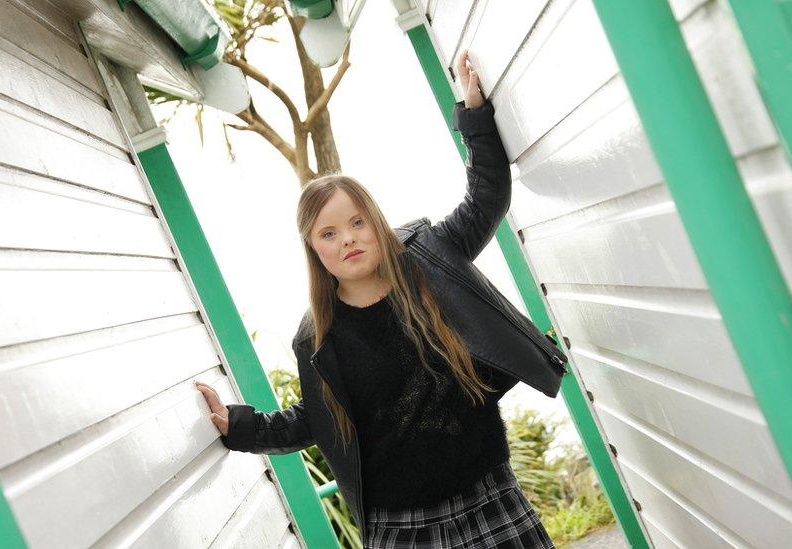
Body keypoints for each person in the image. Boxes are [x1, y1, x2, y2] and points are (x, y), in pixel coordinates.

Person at [195, 49, 566, 548]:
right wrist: (238, 427)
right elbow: (314, 418)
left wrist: (472, 111)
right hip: (399, 527)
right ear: (313, 249)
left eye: (355, 222)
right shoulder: (318, 338)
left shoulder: (432, 260)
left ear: (375, 221)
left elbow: (487, 195)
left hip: (487, 497)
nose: (346, 239)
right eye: (328, 233)